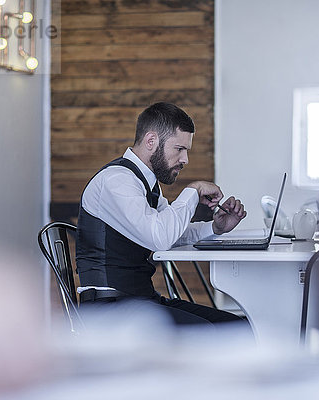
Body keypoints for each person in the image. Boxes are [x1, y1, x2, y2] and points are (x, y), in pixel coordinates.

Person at [76, 102, 248, 326]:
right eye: (179, 149)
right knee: (215, 334)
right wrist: (193, 190)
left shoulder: (144, 183)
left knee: (235, 325)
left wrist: (215, 228)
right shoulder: (117, 181)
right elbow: (161, 237)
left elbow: (172, 233)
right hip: (109, 310)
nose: (185, 159)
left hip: (139, 303)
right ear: (151, 141)